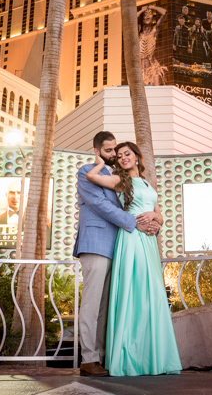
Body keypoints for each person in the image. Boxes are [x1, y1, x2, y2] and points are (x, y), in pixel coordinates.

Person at [86, 142, 182, 377]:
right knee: (134, 292)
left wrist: (154, 216)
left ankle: (153, 357)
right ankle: (130, 358)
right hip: (130, 239)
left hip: (149, 242)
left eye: (127, 154)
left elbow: (160, 216)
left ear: (138, 157)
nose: (122, 158)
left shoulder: (148, 183)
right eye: (118, 156)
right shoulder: (121, 182)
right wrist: (100, 163)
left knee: (151, 294)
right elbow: (90, 176)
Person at [73, 132, 160, 377]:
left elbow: (141, 205)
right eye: (109, 150)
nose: (114, 155)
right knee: (92, 303)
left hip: (122, 246)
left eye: (116, 150)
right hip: (96, 244)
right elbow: (101, 206)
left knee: (107, 306)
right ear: (97, 150)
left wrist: (152, 222)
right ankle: (89, 359)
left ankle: (102, 357)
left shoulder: (118, 177)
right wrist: (135, 223)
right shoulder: (87, 172)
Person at [137, 5, 167, 84]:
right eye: (145, 14)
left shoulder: (154, 31)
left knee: (156, 91)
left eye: (149, 13)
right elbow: (132, 20)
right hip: (140, 68)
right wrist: (141, 11)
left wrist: (152, 7)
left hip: (153, 66)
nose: (147, 15)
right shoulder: (138, 33)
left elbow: (164, 13)